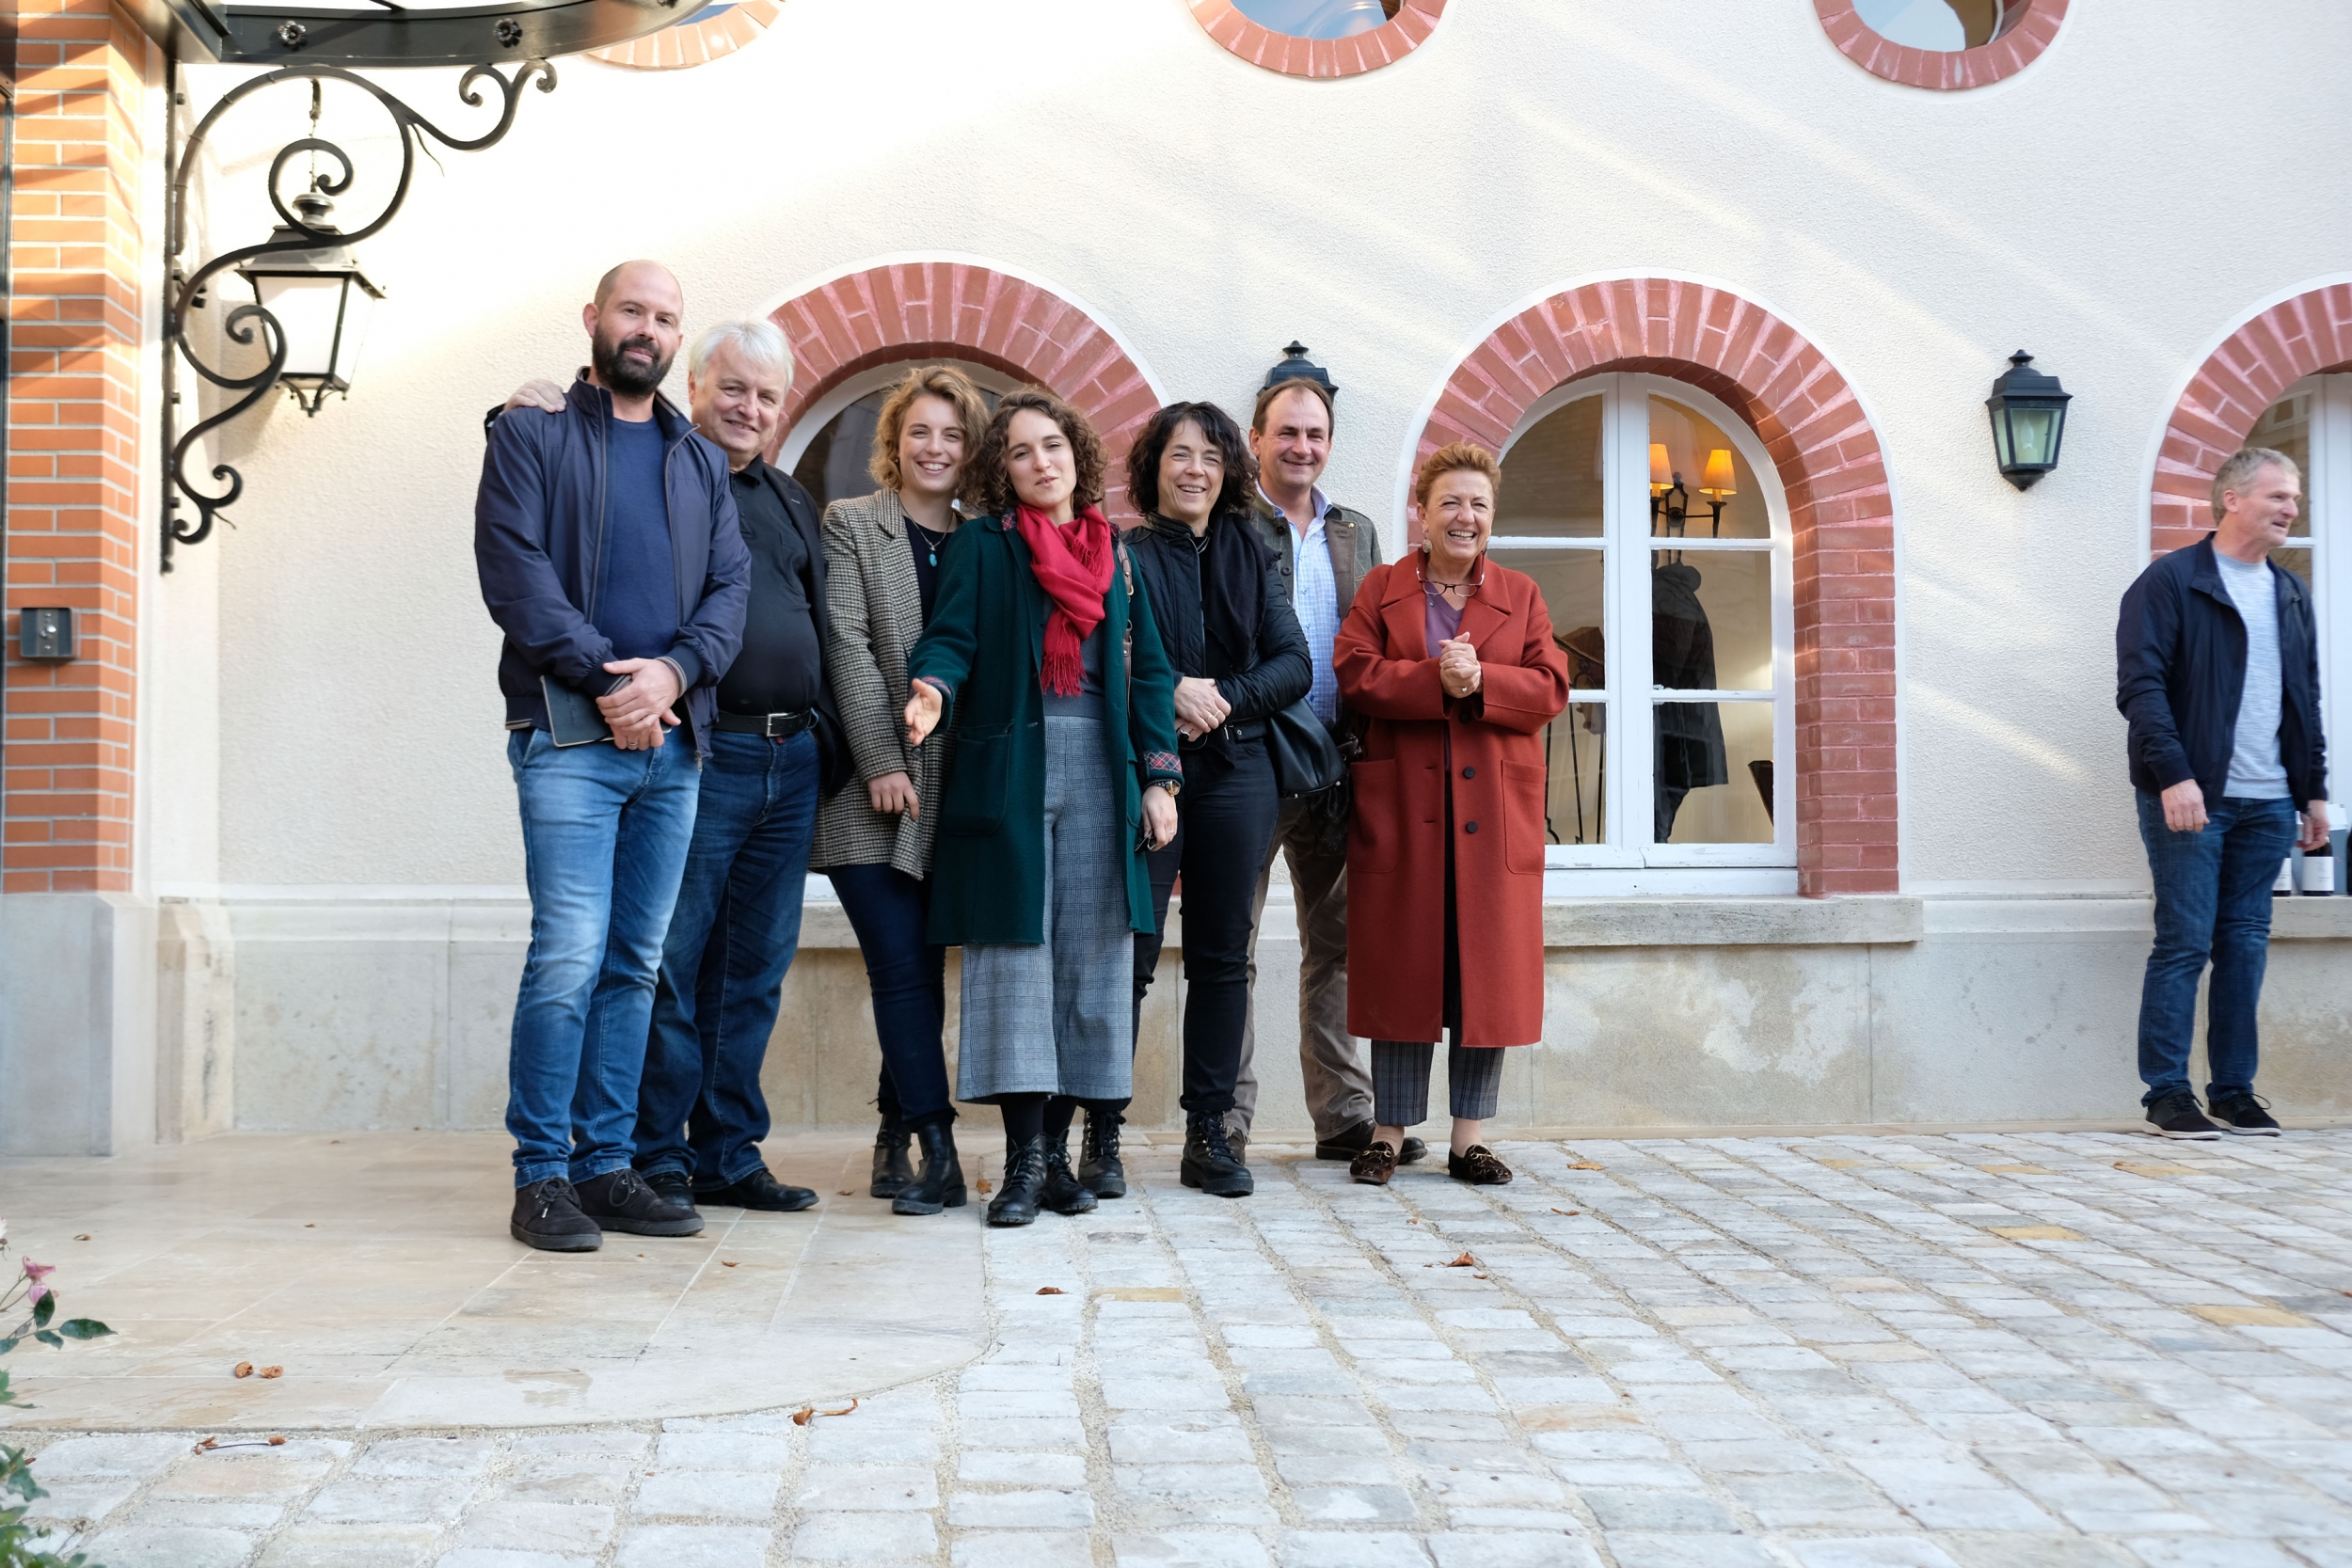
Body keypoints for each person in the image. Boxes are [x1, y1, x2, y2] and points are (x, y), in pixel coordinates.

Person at [500, 320, 843, 1219]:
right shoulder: (660, 464)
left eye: (768, 398)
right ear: (695, 383)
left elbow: (802, 619)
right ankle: (649, 1156)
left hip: (779, 755)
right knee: (651, 966)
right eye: (734, 389)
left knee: (746, 970)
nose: (751, 409)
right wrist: (642, 689)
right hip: (694, 744)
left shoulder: (784, 498)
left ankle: (723, 1151)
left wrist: (827, 737)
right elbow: (543, 527)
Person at [475, 261, 748, 1251]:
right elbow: (514, 571)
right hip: (565, 739)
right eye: (632, 310)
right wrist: (609, 680)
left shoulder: (699, 459)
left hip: (672, 747)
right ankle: (540, 1174)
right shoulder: (531, 432)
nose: (647, 329)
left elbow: (728, 594)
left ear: (680, 339)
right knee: (568, 955)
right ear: (593, 318)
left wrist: (669, 678)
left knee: (635, 962)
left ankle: (603, 1163)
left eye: (666, 317)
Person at [901, 388, 1182, 1227]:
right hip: (1010, 773)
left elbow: (1153, 675)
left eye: (1051, 445)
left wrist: (1160, 779)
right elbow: (950, 638)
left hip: (1104, 766)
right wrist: (932, 689)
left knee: (1091, 962)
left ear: (1076, 454)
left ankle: (1059, 1157)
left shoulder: (1116, 555)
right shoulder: (984, 549)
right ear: (1003, 468)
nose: (1039, 462)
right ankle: (1024, 1162)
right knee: (1014, 962)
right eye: (1020, 452)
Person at [1332, 441, 1570, 1186]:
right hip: (1403, 805)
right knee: (1406, 968)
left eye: (1478, 505)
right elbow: (1353, 672)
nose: (1464, 517)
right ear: (1423, 512)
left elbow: (1549, 687)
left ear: (1490, 517)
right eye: (1450, 503)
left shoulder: (1521, 594)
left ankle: (1470, 1139)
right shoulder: (1382, 587)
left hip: (1493, 815)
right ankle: (1387, 1133)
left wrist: (1481, 682)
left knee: (1483, 974)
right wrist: (1438, 679)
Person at [811, 365, 995, 1215]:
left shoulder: (982, 539)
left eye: (953, 435)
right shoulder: (851, 523)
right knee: (898, 964)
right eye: (920, 431)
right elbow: (845, 645)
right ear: (894, 442)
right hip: (865, 787)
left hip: (953, 790)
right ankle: (936, 1141)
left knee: (924, 967)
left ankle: (892, 1127)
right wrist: (883, 759)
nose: (935, 448)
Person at [1116, 403, 1311, 1199]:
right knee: (1127, 954)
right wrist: (1172, 694)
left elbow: (1293, 662)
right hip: (1147, 776)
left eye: (1208, 456)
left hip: (1238, 773)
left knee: (1223, 959)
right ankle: (1100, 1130)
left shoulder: (1250, 551)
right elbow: (1110, 661)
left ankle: (1209, 1132)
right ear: (1154, 467)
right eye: (1178, 454)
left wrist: (1219, 698)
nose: (1193, 468)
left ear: (1229, 469)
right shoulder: (1124, 555)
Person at [1232, 372, 1425, 1166]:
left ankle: (1344, 1114)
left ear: (1330, 444)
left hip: (1337, 764)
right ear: (1256, 439)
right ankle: (1226, 1118)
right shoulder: (1230, 525)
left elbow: (1377, 643)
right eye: (1286, 432)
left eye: (1314, 434)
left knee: (1340, 946)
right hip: (1249, 760)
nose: (1301, 446)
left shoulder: (1359, 532)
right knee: (1229, 948)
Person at [2116, 446, 2329, 1139]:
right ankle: (2167, 1092)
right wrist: (2175, 775)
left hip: (2269, 803)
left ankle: (2234, 1090)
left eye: (2294, 499)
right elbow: (2141, 689)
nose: (2290, 509)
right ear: (2232, 499)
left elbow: (2305, 699)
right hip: (2192, 796)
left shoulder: (2290, 592)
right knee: (2183, 941)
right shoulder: (2172, 581)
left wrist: (2314, 791)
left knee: (2245, 942)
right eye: (2277, 496)